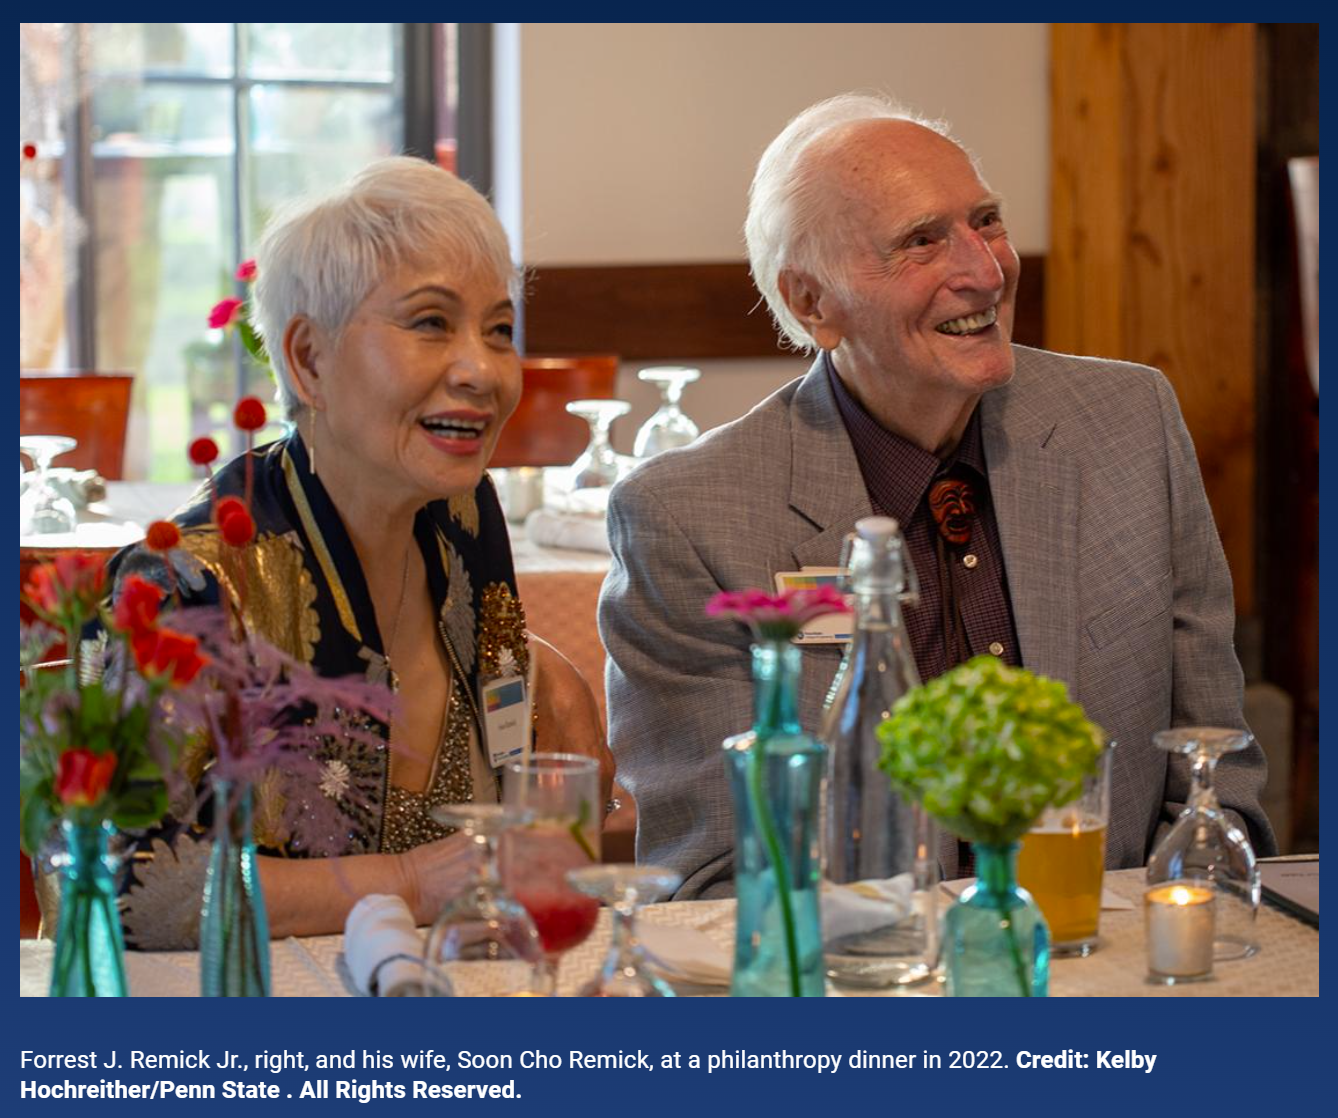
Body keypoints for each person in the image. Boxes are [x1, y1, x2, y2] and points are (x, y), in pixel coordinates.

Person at [599, 93, 1275, 899]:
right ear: (813, 302)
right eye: (922, 242)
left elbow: (1213, 773)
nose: (987, 271)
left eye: (985, 221)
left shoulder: (1128, 424)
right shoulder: (688, 517)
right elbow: (717, 873)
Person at [107, 156, 612, 947]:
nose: (483, 370)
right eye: (430, 322)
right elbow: (131, 882)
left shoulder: (463, 514)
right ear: (308, 359)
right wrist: (410, 883)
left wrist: (548, 670)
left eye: (499, 329)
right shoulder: (190, 583)